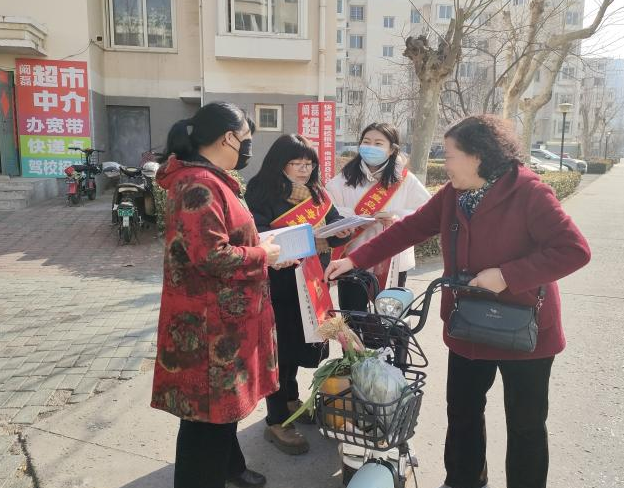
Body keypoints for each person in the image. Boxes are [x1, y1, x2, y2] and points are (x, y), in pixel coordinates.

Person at [325, 115, 591, 488]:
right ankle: (464, 480)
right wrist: (355, 260)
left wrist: (507, 276)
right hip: (467, 324)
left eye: (449, 155)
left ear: (477, 156)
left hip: (526, 330)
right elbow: (410, 228)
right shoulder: (454, 194)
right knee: (463, 412)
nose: (445, 163)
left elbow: (574, 250)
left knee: (526, 423)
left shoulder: (530, 192)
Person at [151, 102, 282, 488]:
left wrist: (262, 247)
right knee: (205, 425)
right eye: (246, 138)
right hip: (209, 330)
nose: (248, 147)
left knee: (222, 413)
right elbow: (210, 256)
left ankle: (230, 468)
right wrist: (263, 254)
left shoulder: (212, 178)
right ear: (229, 138)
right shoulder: (199, 184)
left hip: (223, 324)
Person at [245, 134, 351, 455]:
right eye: (297, 163)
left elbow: (332, 226)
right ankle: (276, 420)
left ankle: (291, 398)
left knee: (299, 345)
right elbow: (257, 234)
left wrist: (341, 232)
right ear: (280, 163)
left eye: (309, 164)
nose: (305, 170)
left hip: (312, 282)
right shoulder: (260, 190)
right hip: (277, 283)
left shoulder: (318, 193)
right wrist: (300, 239)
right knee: (280, 350)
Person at [325, 122, 430, 312]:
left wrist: (395, 217)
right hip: (353, 258)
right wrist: (357, 218)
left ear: (392, 150)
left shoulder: (405, 180)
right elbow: (328, 210)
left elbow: (426, 212)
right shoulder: (344, 178)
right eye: (366, 142)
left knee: (390, 318)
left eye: (378, 143)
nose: (370, 147)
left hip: (393, 260)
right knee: (353, 317)